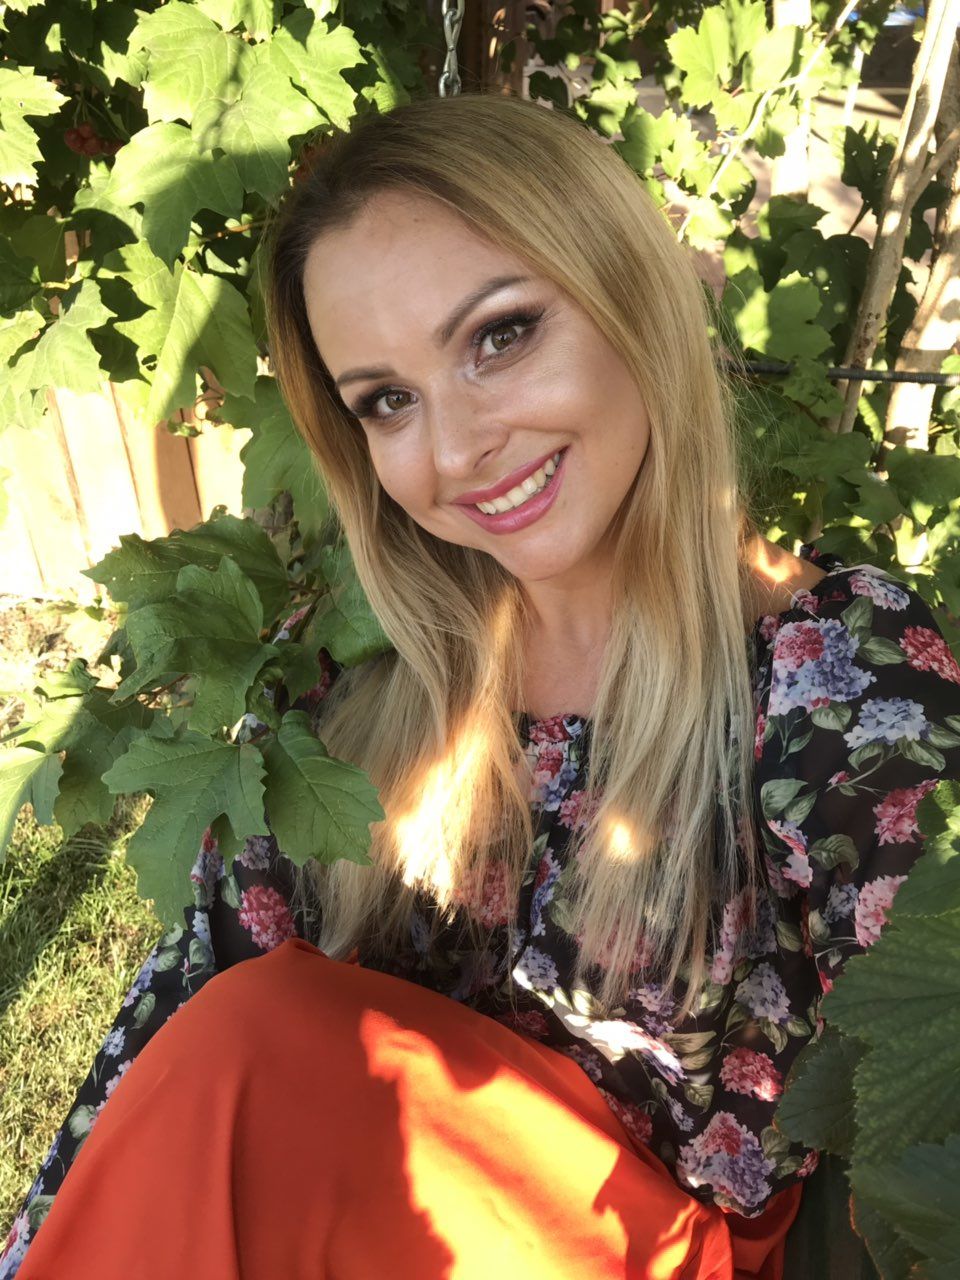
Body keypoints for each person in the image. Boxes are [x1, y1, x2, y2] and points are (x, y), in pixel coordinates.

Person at [4, 91, 960, 1280]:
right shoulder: (366, 672)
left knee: (252, 1044)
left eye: (499, 336)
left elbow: (930, 1071)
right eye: (387, 400)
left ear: (633, 294)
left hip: (631, 1245)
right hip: (346, 1232)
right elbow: (173, 1028)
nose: (455, 450)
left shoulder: (835, 678)